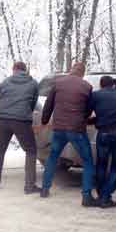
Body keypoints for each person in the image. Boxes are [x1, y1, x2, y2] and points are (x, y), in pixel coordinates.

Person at [41, 62, 98, 207]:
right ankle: (86, 196)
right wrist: (82, 118)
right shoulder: (86, 87)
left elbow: (49, 104)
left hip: (58, 129)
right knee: (87, 161)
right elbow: (89, 108)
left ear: (71, 70)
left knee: (53, 157)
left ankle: (45, 189)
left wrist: (44, 120)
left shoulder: (58, 82)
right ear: (82, 73)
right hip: (77, 130)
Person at [0, 62, 40, 194]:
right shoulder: (33, 83)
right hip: (22, 121)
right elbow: (33, 103)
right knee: (31, 150)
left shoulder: (5, 82)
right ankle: (29, 186)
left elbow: (0, 99)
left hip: (3, 119)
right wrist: (25, 113)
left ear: (14, 70)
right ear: (25, 70)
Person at [89, 76, 116, 208]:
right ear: (113, 85)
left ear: (100, 85)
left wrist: (94, 119)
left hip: (104, 133)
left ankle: (102, 195)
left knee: (101, 164)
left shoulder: (95, 95)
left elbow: (88, 112)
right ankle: (105, 197)